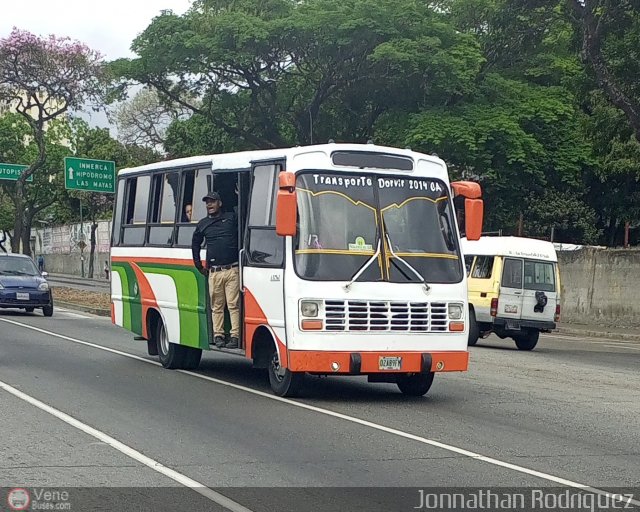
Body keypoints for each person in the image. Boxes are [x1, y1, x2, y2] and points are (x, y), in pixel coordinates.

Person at [191, 191, 240, 349]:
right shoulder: (203, 223)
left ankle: (235, 336)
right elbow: (195, 244)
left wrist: (239, 194)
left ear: (220, 203)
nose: (209, 205)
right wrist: (198, 265)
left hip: (232, 269)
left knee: (233, 305)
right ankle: (218, 335)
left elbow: (244, 216)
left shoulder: (231, 218)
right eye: (207, 202)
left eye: (212, 202)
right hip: (214, 272)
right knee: (217, 306)